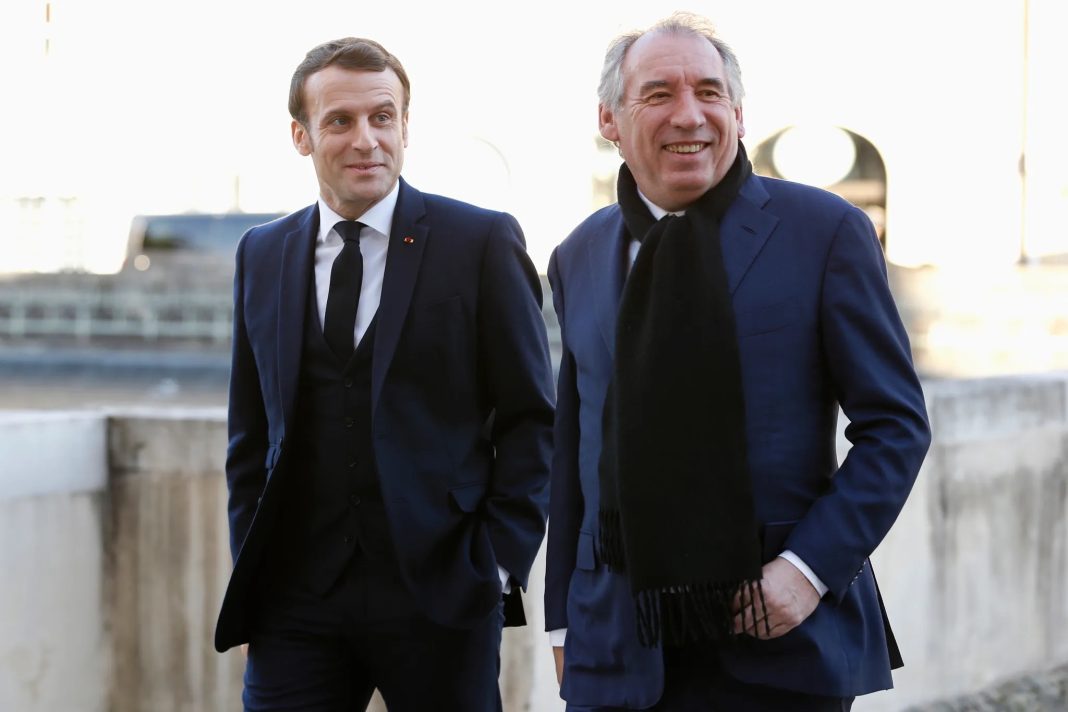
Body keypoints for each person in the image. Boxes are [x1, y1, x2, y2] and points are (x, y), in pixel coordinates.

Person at [545, 12, 931, 711]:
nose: (689, 114)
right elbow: (575, 445)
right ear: (609, 118)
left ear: (739, 113)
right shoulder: (578, 255)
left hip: (778, 635)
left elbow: (897, 427)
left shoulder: (825, 233)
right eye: (658, 94)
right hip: (616, 645)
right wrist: (563, 619)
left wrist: (808, 571)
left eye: (710, 92)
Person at [213, 37, 554, 711]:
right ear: (301, 136)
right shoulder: (262, 252)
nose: (366, 138)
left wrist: (495, 563)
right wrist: (253, 576)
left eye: (383, 117)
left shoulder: (480, 242)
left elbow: (531, 418)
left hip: (442, 595)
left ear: (404, 126)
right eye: (340, 121)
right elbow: (249, 434)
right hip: (295, 602)